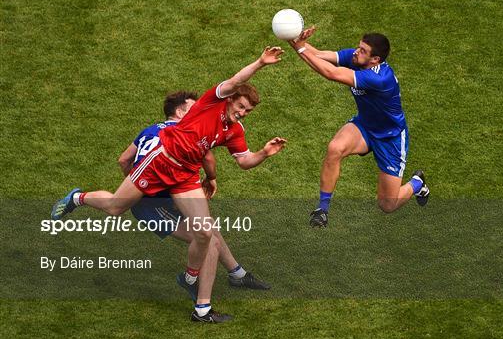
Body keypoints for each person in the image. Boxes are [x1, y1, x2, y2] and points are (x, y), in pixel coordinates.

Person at [51, 46, 287, 323]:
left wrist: (263, 154)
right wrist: (260, 62)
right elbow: (235, 80)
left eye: (248, 111)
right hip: (160, 162)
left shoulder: (234, 130)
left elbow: (244, 161)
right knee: (116, 207)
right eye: (241, 107)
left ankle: (193, 287)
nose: (244, 113)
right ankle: (77, 197)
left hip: (186, 174)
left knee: (206, 232)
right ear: (230, 100)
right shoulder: (211, 101)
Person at [118, 90, 271, 294]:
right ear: (181, 113)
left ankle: (237, 274)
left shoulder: (151, 129)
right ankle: (199, 298)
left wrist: (138, 185)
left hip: (162, 192)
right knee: (208, 240)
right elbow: (207, 158)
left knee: (209, 229)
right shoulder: (189, 130)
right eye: (194, 107)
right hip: (154, 205)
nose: (202, 109)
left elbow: (123, 160)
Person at [288, 28, 429, 227]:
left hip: (390, 138)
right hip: (365, 125)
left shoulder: (380, 78)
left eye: (363, 50)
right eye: (358, 46)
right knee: (335, 148)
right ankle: (322, 209)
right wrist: (294, 39)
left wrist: (300, 48)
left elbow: (331, 73)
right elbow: (319, 55)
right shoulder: (356, 58)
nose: (356, 52)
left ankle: (417, 183)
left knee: (387, 205)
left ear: (375, 60)